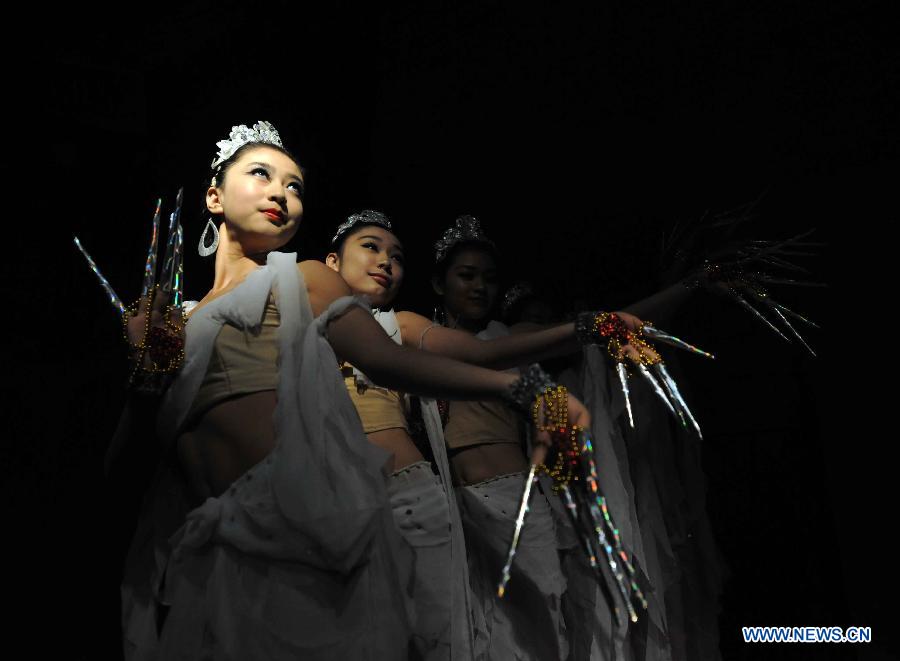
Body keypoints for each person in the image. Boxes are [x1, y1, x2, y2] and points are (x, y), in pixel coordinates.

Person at [112, 122, 589, 661]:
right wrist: (145, 378)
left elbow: (391, 363)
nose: (281, 193)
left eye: (294, 186)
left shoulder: (303, 278)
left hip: (297, 538)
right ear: (213, 196)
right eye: (262, 174)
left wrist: (520, 386)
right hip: (210, 562)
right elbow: (130, 471)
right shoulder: (174, 321)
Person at [326, 212, 661, 660]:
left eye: (397, 256)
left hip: (433, 500)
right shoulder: (307, 311)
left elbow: (489, 354)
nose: (386, 261)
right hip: (352, 498)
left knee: (502, 635)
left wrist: (591, 326)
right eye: (371, 247)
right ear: (330, 262)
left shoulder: (399, 326)